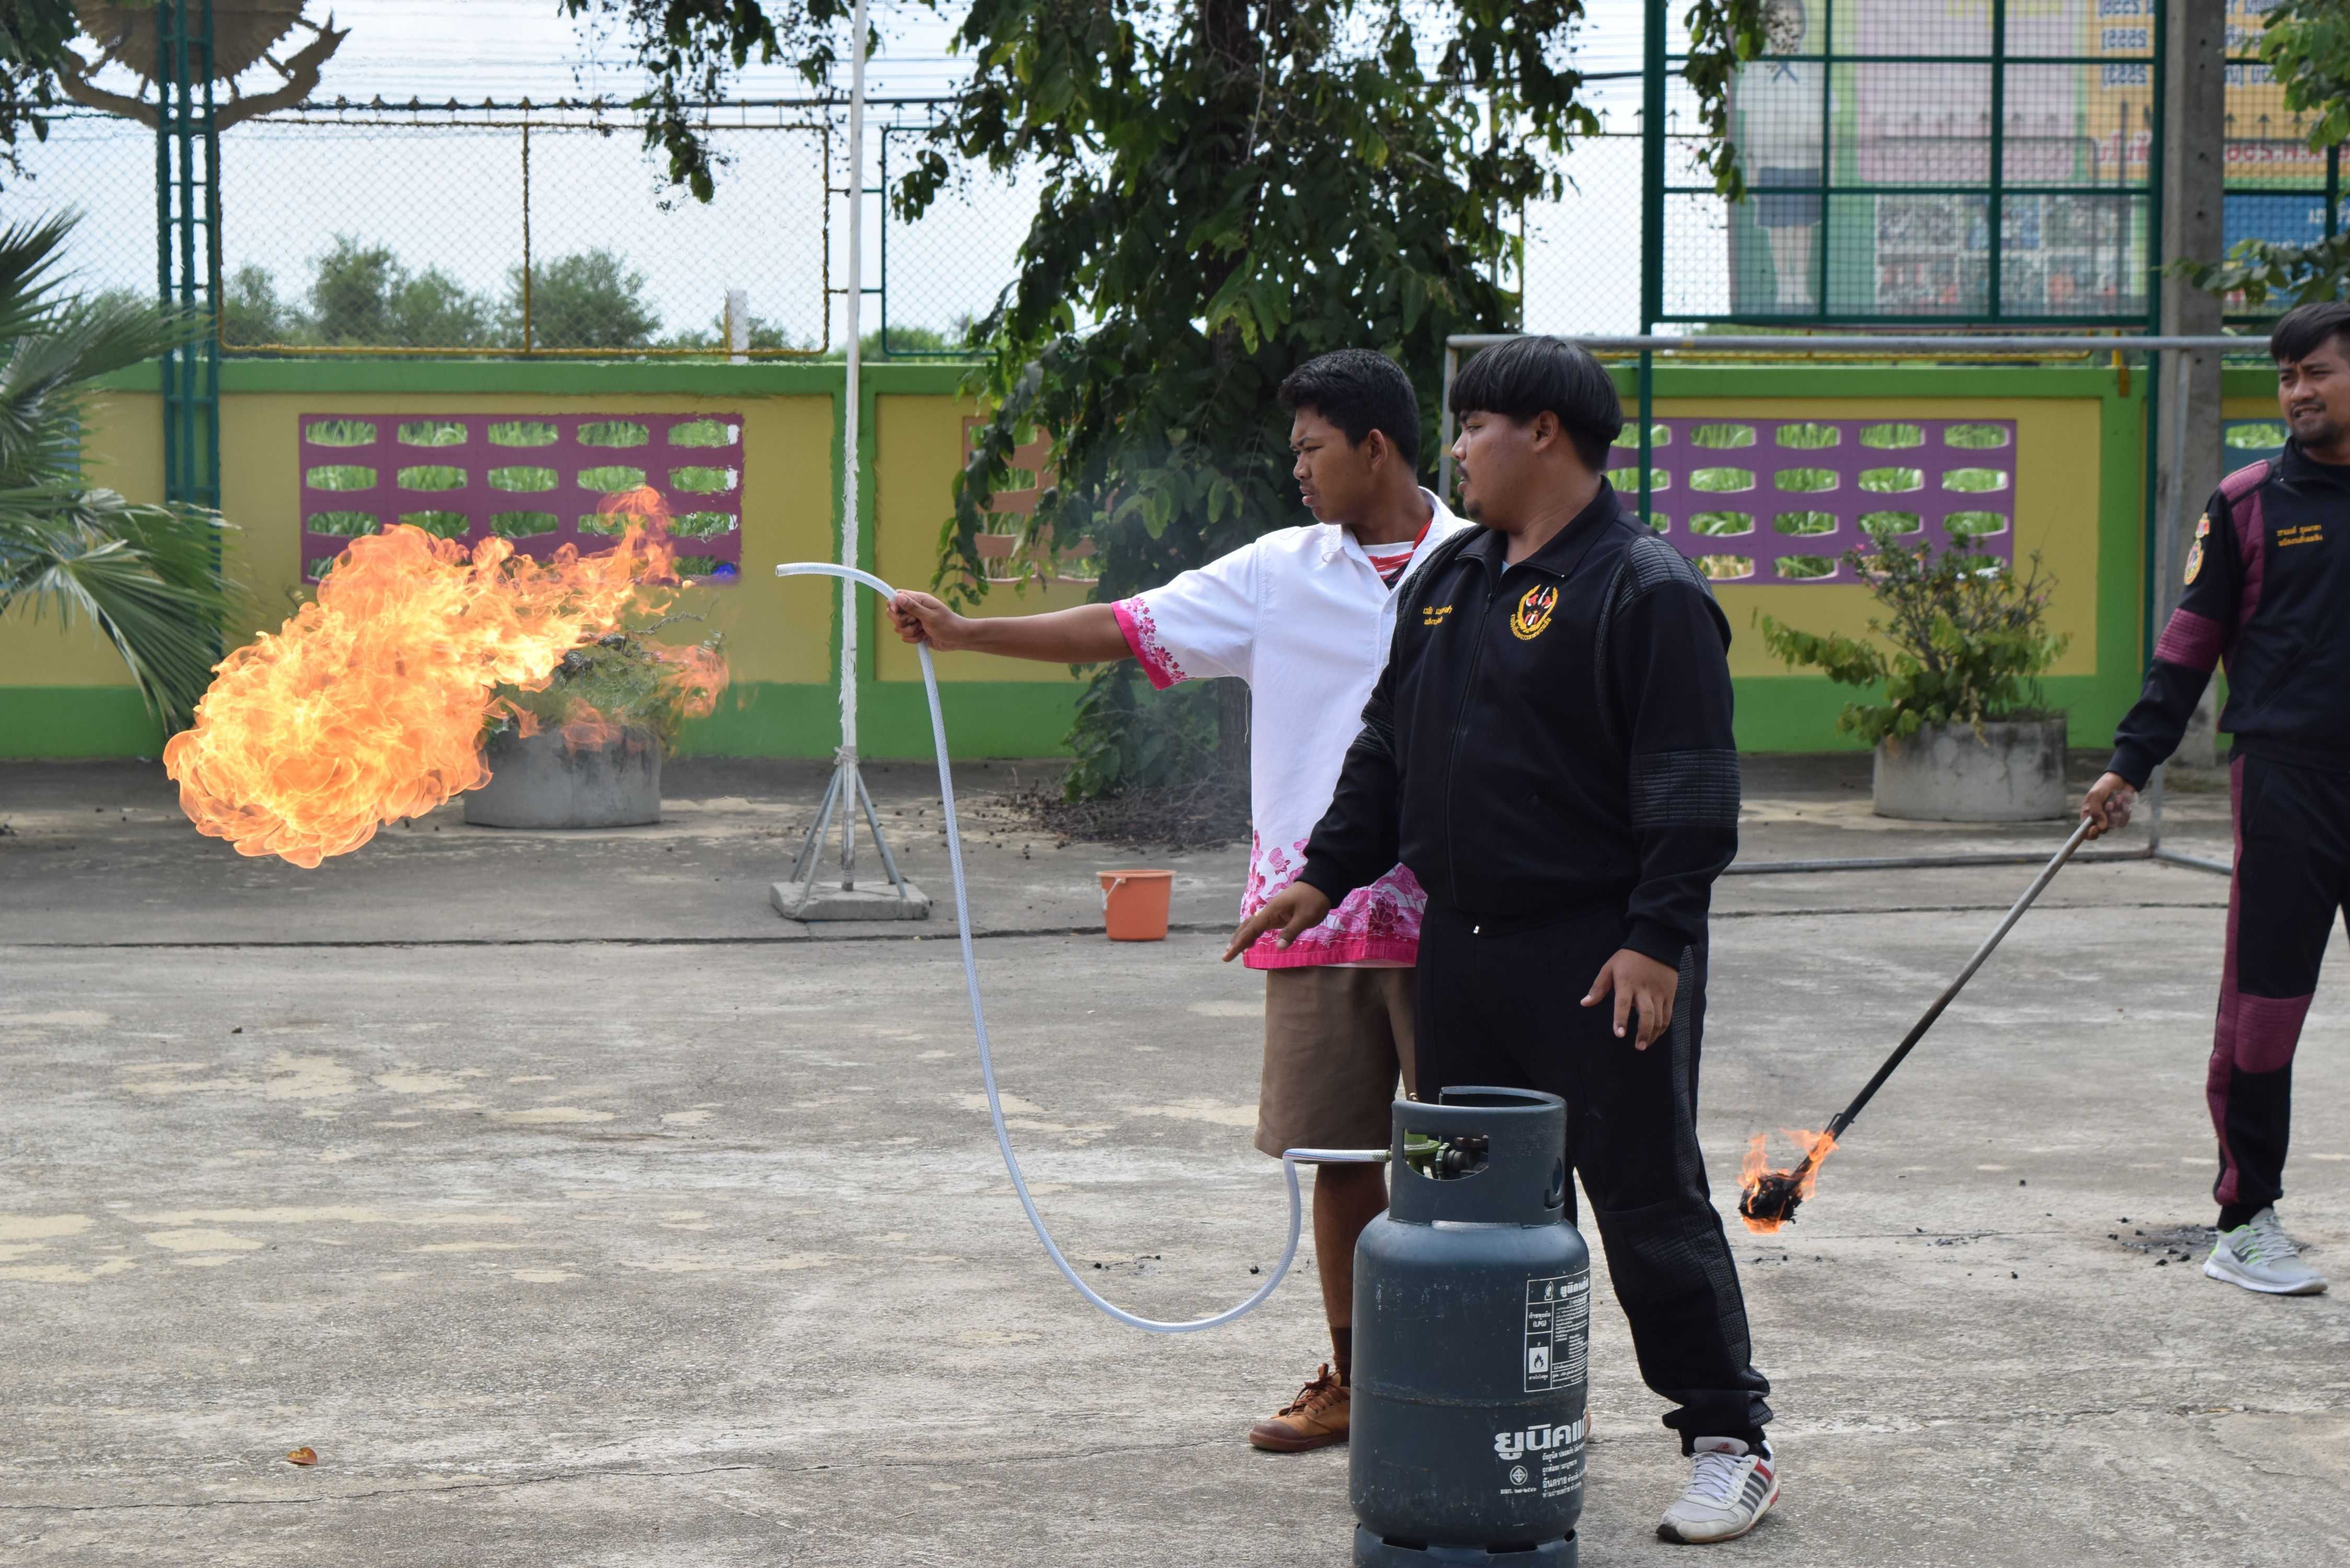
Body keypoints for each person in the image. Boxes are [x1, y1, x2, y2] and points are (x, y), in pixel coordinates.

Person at [1231, 335, 1779, 1545]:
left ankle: (1728, 1440)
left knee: (1643, 1200)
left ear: (1543, 432)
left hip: (1599, 955)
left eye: (1474, 427)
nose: (1458, 450)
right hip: (1462, 955)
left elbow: (1691, 789)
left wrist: (1656, 940)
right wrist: (1323, 875)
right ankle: (1509, 1420)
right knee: (1472, 1206)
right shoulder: (1454, 578)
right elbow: (1388, 745)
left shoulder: (1644, 589)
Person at [886, 348, 1468, 1451]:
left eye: (1311, 448)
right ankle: (1361, 1378)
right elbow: (1124, 624)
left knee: (1466, 1159)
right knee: (1340, 1155)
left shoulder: (1482, 562)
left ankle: (1494, 1375)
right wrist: (968, 633)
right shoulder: (1278, 573)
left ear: (1375, 446)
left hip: (1461, 914)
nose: (1297, 469)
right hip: (1315, 914)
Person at [2081, 299, 2350, 1298]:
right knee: (2264, 1010)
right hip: (2288, 783)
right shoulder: (2248, 503)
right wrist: (2130, 763)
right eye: (2286, 377)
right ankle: (2246, 1222)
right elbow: (2189, 646)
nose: (2297, 393)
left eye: (2316, 372)